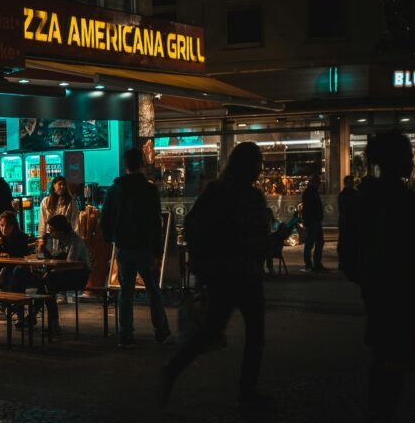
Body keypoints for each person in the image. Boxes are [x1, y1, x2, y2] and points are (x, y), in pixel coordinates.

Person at [158, 142, 271, 409]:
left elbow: (194, 227)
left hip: (223, 274)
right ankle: (247, 388)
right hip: (243, 273)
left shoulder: (215, 192)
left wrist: (202, 266)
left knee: (211, 331)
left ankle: (173, 370)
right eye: (258, 162)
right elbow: (258, 235)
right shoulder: (251, 197)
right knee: (253, 334)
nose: (260, 168)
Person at [343, 131, 415, 423]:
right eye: (408, 155)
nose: (412, 162)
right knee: (394, 354)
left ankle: (377, 420)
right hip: (397, 287)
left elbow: (351, 252)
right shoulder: (398, 199)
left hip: (378, 285)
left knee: (384, 353)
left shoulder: (365, 196)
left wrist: (366, 278)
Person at [101, 148, 171, 347]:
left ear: (125, 165)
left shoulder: (115, 189)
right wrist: (158, 251)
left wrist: (111, 238)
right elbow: (155, 223)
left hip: (123, 247)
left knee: (126, 292)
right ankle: (161, 330)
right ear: (142, 163)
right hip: (145, 247)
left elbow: (105, 217)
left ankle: (126, 335)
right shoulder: (149, 190)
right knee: (152, 289)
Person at [39, 214, 90, 335]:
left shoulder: (75, 240)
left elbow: (70, 263)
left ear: (61, 230)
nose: (50, 233)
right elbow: (55, 259)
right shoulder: (59, 240)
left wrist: (51, 272)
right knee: (44, 286)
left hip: (79, 276)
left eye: (52, 230)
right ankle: (51, 322)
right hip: (64, 274)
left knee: (47, 285)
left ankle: (51, 323)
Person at [0, 210, 35, 326]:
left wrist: (5, 269)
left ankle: (12, 309)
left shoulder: (21, 237)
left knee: (15, 276)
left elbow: (20, 257)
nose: (4, 229)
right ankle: (16, 312)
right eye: (2, 225)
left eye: (7, 226)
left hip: (15, 271)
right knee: (9, 280)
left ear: (13, 226)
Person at [39, 176, 79, 304]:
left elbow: (74, 220)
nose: (62, 187)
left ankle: (62, 292)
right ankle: (51, 290)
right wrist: (41, 237)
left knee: (62, 262)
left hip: (64, 236)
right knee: (50, 263)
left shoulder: (70, 202)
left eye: (64, 185)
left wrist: (73, 236)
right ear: (54, 185)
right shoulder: (46, 201)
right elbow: (42, 220)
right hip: (50, 237)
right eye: (60, 184)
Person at [300, 174, 327, 272]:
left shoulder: (309, 192)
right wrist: (318, 217)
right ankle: (313, 264)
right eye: (318, 182)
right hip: (313, 221)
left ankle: (311, 264)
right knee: (313, 243)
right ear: (315, 182)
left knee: (312, 243)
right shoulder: (311, 192)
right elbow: (312, 208)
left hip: (312, 221)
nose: (320, 184)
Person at [336, 175, 360, 276]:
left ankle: (345, 262)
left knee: (345, 243)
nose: (351, 184)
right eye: (350, 182)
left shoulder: (344, 194)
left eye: (352, 182)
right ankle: (346, 262)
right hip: (348, 222)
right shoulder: (349, 194)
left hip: (347, 222)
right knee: (346, 243)